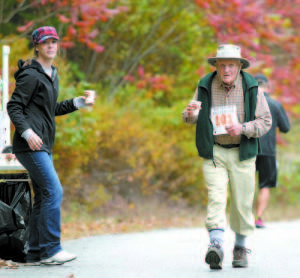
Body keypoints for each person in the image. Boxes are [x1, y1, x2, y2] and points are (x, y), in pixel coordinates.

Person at [7, 26, 95, 265]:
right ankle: (50, 250)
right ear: (36, 46)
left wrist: (79, 102)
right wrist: (26, 132)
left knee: (43, 197)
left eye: (54, 42)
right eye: (45, 42)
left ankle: (35, 251)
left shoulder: (51, 73)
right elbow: (13, 107)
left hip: (43, 145)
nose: (50, 45)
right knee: (54, 191)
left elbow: (50, 110)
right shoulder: (31, 74)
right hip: (30, 145)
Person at [182, 44, 272, 270]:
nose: (226, 70)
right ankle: (216, 245)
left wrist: (242, 128)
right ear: (216, 66)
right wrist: (190, 114)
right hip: (215, 152)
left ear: (240, 66)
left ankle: (240, 247)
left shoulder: (253, 88)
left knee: (242, 202)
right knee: (216, 197)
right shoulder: (205, 85)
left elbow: (265, 122)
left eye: (231, 65)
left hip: (243, 152)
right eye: (221, 65)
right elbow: (189, 116)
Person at [254, 74, 290, 229]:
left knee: (245, 184)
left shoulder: (245, 104)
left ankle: (245, 218)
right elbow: (286, 128)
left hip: (248, 150)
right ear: (267, 86)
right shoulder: (275, 105)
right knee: (265, 185)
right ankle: (258, 218)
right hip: (268, 151)